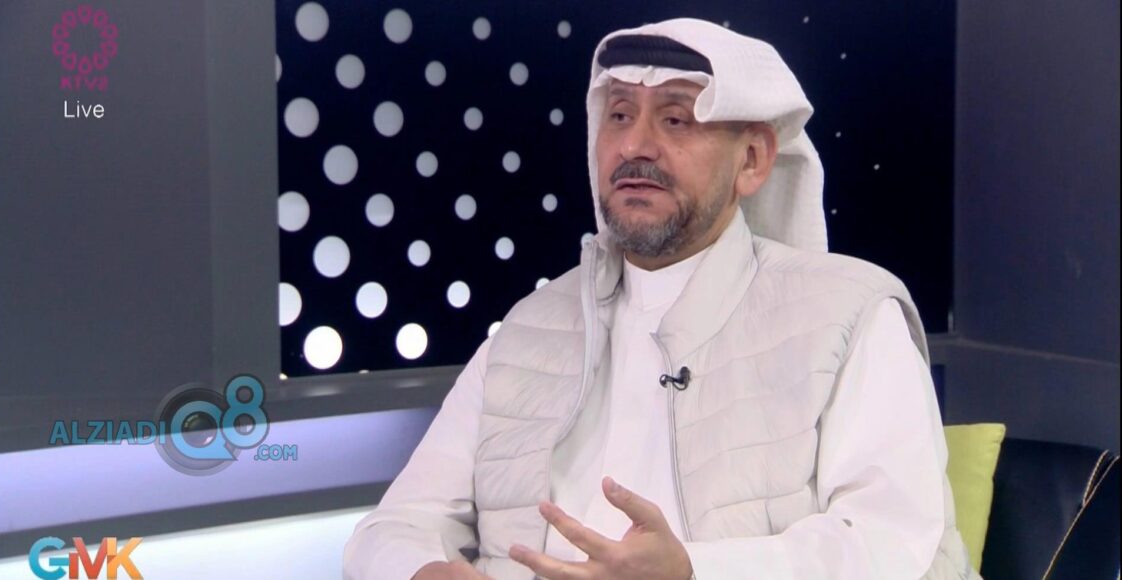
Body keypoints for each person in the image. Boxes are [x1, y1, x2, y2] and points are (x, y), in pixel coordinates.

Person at [344, 17, 978, 580]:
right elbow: (392, 527)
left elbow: (892, 545)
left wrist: (692, 572)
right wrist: (423, 571)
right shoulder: (528, 330)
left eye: (676, 119)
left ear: (752, 159)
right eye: (620, 116)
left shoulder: (849, 314)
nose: (634, 146)